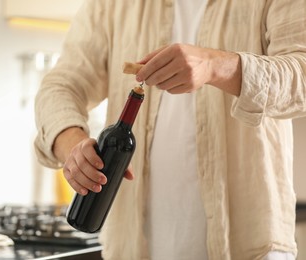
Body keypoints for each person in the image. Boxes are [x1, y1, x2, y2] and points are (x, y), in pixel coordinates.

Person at [34, 0, 306, 259]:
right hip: (133, 248)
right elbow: (62, 85)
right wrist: (73, 146)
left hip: (249, 247)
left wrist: (215, 66)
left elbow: (301, 76)